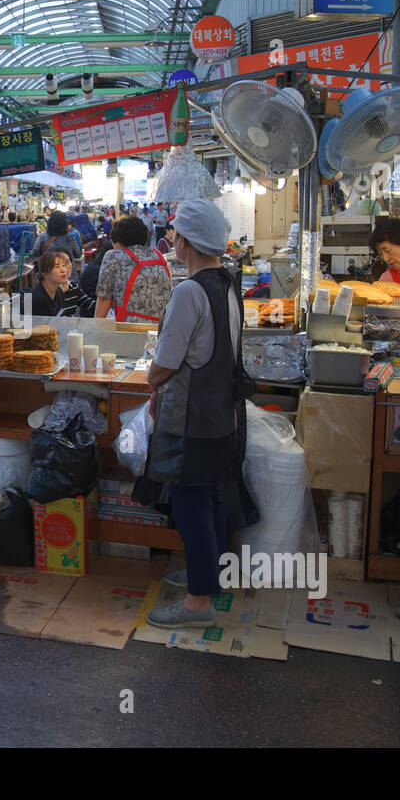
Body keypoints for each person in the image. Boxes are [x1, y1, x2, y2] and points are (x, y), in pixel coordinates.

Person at [144, 200, 250, 629]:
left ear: (182, 240)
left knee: (190, 500)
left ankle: (197, 603)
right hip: (222, 413)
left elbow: (167, 361)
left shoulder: (190, 290)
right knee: (209, 497)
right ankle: (207, 576)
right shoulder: (227, 283)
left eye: (174, 233)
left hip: (192, 416)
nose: (171, 238)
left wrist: (152, 381)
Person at [94, 214, 173, 324]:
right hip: (162, 328)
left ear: (117, 238)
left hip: (130, 330)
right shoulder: (157, 254)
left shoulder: (113, 256)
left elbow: (103, 299)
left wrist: (96, 330)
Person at [29, 250, 90, 318]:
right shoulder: (36, 298)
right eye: (57, 267)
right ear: (45, 274)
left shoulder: (58, 292)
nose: (63, 270)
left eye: (63, 265)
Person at [33, 211, 82, 276]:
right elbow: (78, 254)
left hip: (48, 276)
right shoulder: (70, 237)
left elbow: (35, 253)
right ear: (65, 223)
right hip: (68, 275)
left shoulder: (42, 237)